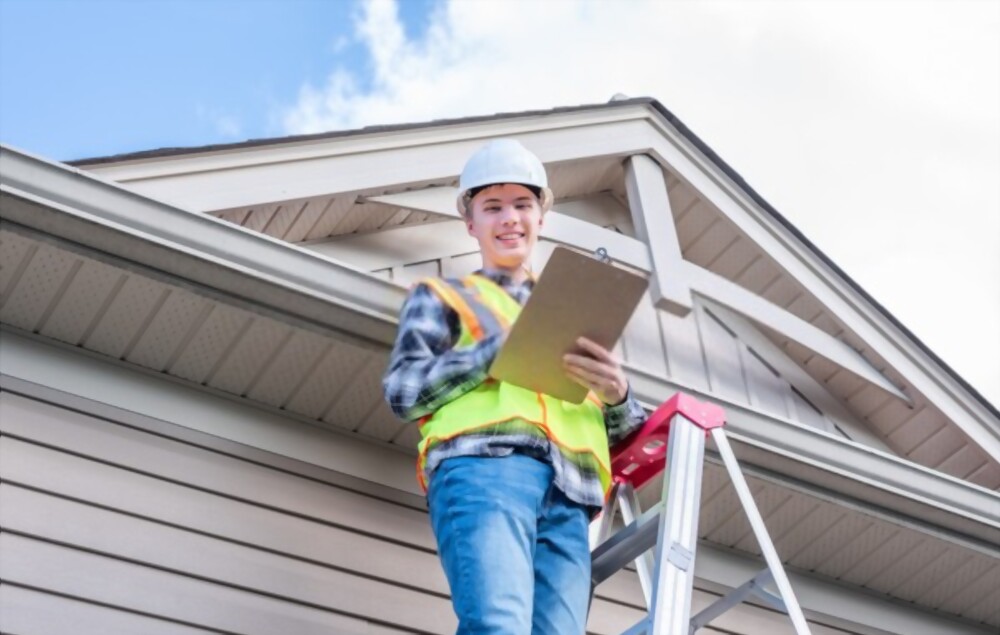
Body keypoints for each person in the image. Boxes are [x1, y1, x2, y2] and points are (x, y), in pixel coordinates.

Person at [382, 139, 646, 634]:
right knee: (499, 628)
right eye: (493, 207)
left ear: (540, 217)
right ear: (471, 223)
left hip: (570, 496)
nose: (509, 218)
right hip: (488, 471)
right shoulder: (442, 297)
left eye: (522, 205)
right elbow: (403, 392)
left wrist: (618, 395)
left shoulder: (576, 307)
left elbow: (622, 429)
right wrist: (492, 352)